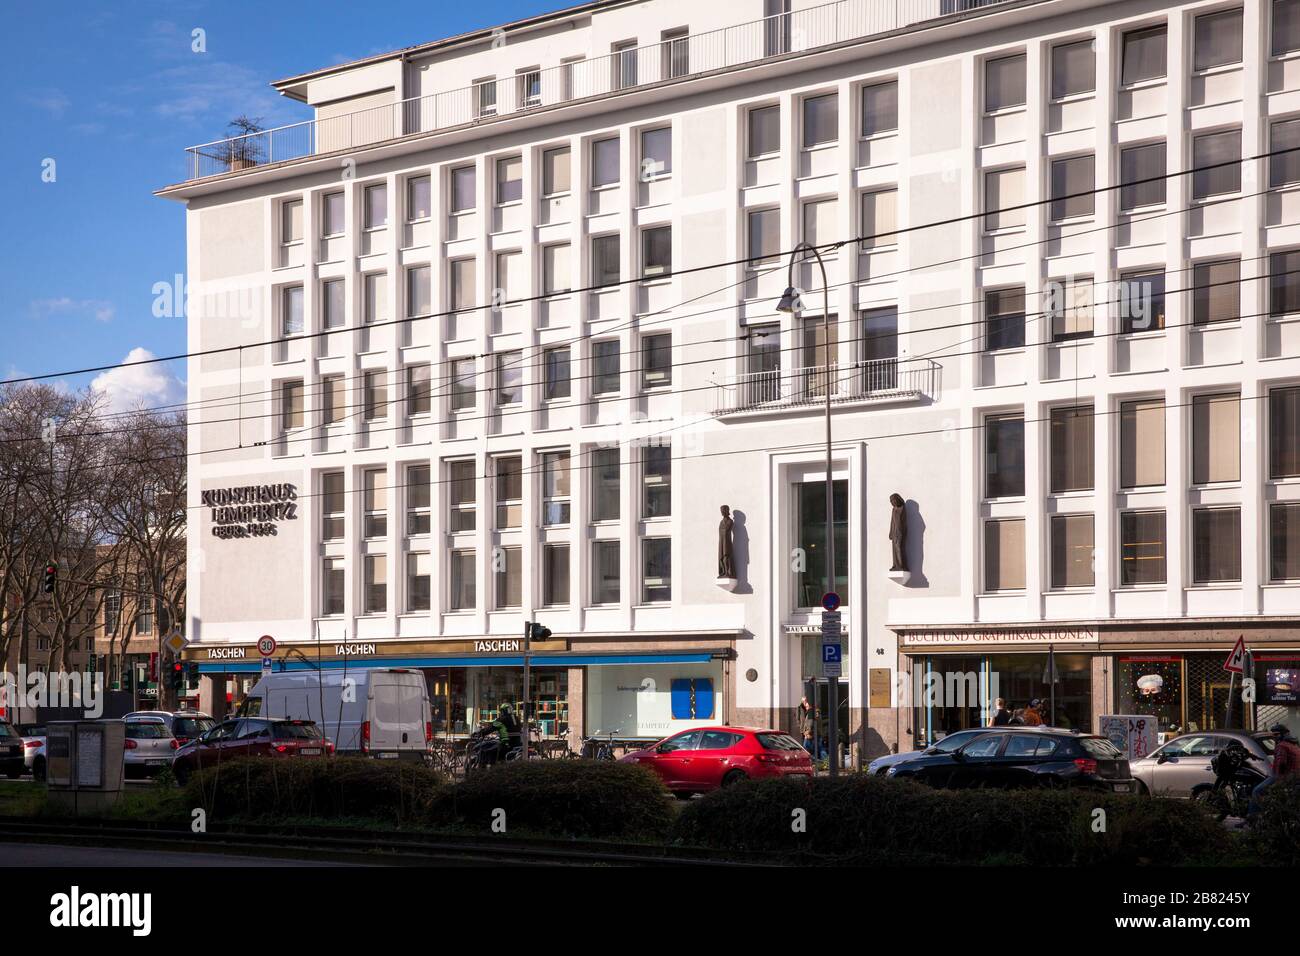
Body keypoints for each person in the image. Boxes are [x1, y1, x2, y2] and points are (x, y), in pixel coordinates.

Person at [1246, 724, 1300, 821]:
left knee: (1256, 791)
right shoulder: (1294, 745)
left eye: (1277, 735)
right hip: (1294, 776)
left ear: (1283, 734)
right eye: (1273, 735)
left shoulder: (1281, 746)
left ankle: (1252, 818)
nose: (1274, 737)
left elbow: (1281, 763)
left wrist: (1277, 777)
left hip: (1284, 777)